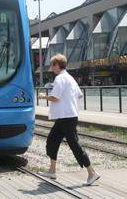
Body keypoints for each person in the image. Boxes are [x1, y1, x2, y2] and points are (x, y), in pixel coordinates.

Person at [38, 53, 100, 186]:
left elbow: (55, 97)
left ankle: (92, 173)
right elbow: (79, 94)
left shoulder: (60, 79)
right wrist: (69, 103)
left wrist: (43, 96)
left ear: (57, 65)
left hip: (66, 116)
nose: (51, 67)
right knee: (52, 141)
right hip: (67, 116)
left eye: (52, 65)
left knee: (74, 144)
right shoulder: (70, 78)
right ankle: (52, 170)